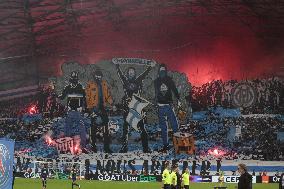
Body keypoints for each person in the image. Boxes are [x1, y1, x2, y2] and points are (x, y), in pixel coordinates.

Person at [115, 62, 155, 153]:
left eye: (132, 71)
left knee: (142, 128)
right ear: (128, 73)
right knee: (125, 129)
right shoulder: (125, 81)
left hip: (137, 107)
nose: (131, 73)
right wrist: (117, 65)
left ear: (134, 73)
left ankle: (145, 148)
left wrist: (150, 67)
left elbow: (144, 74)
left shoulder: (138, 80)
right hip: (127, 107)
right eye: (130, 71)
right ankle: (124, 148)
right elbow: (120, 74)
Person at [154, 64, 181, 152]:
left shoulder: (169, 80)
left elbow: (174, 89)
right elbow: (156, 93)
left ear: (165, 70)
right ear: (159, 71)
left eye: (163, 70)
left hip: (168, 105)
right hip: (160, 106)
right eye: (161, 70)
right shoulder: (156, 81)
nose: (162, 71)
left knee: (174, 125)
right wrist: (156, 102)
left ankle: (178, 143)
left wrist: (178, 98)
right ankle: (166, 145)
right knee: (163, 127)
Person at [85, 70, 113, 153]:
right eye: (96, 76)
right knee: (93, 129)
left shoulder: (104, 84)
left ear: (101, 76)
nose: (98, 77)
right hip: (94, 108)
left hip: (102, 108)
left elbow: (107, 95)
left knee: (106, 129)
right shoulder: (90, 84)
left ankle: (106, 148)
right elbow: (87, 97)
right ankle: (93, 147)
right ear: (94, 76)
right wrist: (89, 110)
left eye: (99, 76)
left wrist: (112, 103)